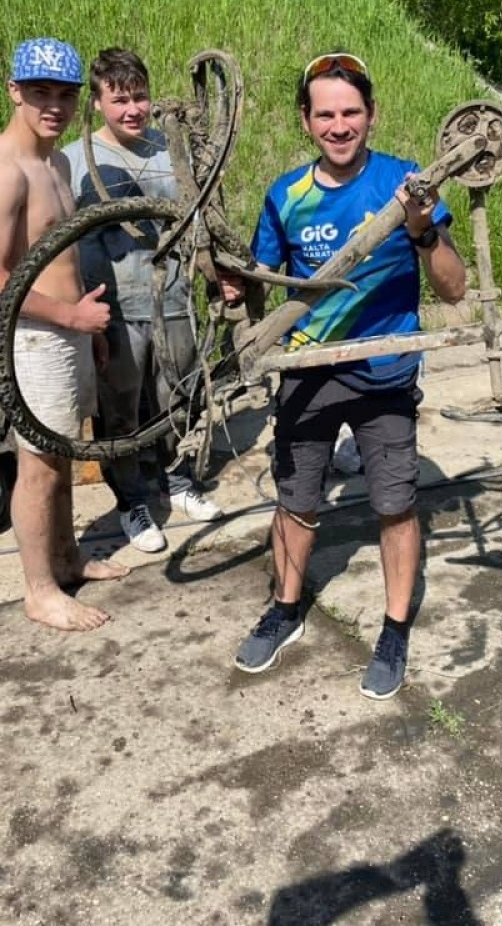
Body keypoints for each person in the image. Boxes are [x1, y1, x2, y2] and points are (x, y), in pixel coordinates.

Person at [231, 52, 466, 699]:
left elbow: (452, 287)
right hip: (307, 371)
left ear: (371, 115)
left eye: (351, 112)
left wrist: (421, 231)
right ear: (306, 121)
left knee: (394, 505)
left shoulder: (406, 185)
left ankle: (393, 630)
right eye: (326, 113)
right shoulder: (286, 196)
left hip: (383, 373)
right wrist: (230, 287)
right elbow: (260, 285)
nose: (339, 125)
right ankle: (284, 609)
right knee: (296, 501)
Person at [63, 48, 223, 553]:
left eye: (140, 97)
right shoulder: (73, 161)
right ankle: (131, 498)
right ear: (97, 103)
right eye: (120, 99)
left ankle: (172, 479)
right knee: (121, 407)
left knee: (177, 393)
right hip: (114, 306)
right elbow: (59, 245)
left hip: (172, 297)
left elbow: (201, 218)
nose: (133, 109)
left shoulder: (167, 150)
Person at [0, 37, 129, 630]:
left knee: (65, 449)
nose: (53, 104)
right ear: (14, 91)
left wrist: (88, 329)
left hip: (68, 330)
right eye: (40, 92)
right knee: (40, 464)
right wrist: (70, 319)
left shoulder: (56, 161)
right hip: (33, 338)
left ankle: (68, 556)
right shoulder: (8, 170)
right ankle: (39, 588)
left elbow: (58, 259)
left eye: (65, 94)